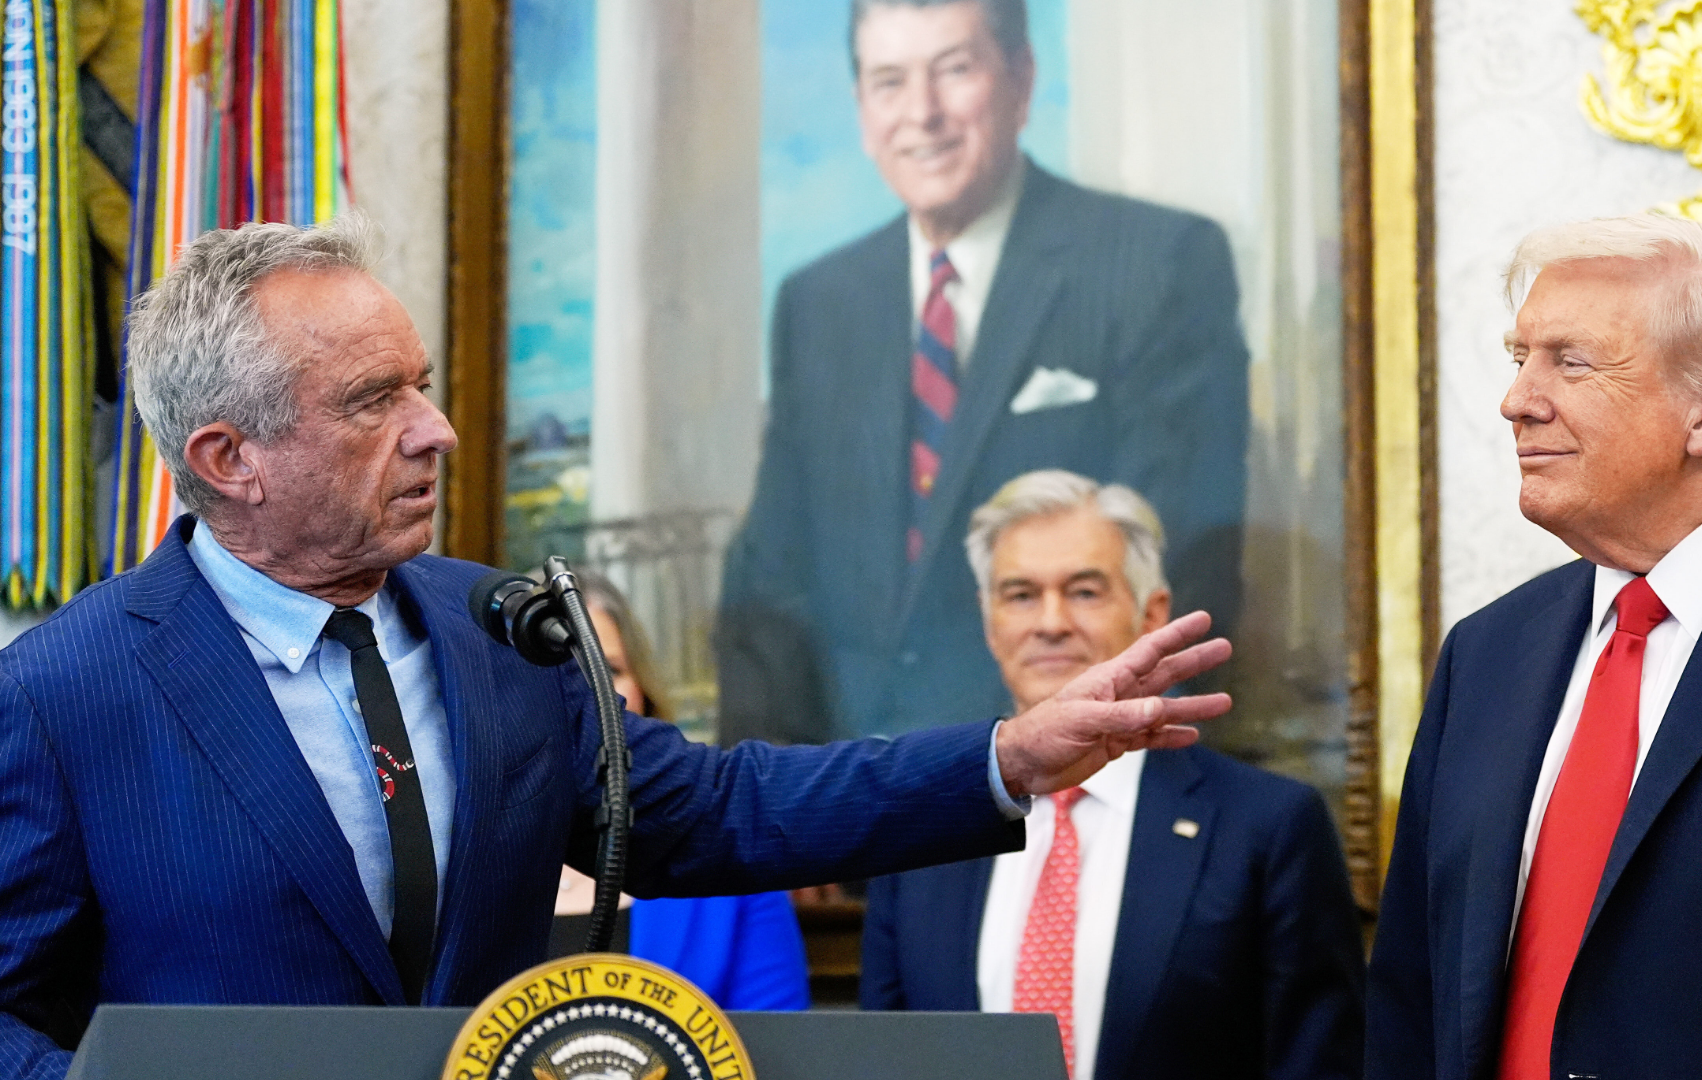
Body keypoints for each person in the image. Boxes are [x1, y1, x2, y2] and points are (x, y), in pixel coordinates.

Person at [0, 216, 1234, 1079]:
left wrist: (1012, 756)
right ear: (229, 459)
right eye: (377, 401)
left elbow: (723, 810)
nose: (437, 432)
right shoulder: (64, 694)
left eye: (422, 386)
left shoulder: (497, 635)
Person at [1366, 215, 1702, 1080]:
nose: (1518, 400)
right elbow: (1408, 1008)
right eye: (1521, 358)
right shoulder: (1487, 653)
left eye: (1571, 361)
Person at [718, 0, 1250, 744]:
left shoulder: (1156, 264)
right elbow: (771, 583)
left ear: (1021, 79)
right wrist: (772, 822)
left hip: (1055, 785)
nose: (922, 113)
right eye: (890, 82)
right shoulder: (818, 302)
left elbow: (1184, 558)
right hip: (849, 807)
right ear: (862, 111)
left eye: (954, 69)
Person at [862, 470, 1363, 1080]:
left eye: (1084, 592)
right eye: (1020, 595)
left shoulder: (1266, 828)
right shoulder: (923, 829)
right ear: (990, 622)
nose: (1050, 622)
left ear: (1151, 615)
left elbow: (1316, 1063)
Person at [550, 569, 810, 1010]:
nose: (587, 692)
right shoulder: (456, 861)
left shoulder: (736, 874)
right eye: (564, 670)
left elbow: (779, 1051)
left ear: (644, 694)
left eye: (608, 669)